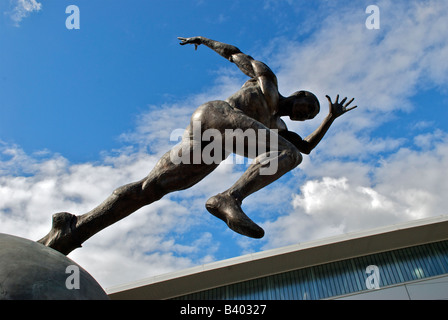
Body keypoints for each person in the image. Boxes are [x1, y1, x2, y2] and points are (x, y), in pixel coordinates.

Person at [38, 36, 357, 255]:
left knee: (150, 189)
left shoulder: (279, 127)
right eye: (309, 108)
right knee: (285, 153)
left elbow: (306, 147)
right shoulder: (267, 83)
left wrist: (329, 118)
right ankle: (228, 198)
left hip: (213, 148)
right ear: (300, 94)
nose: (305, 115)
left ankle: (71, 229)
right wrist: (203, 41)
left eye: (309, 117)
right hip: (215, 115)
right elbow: (236, 54)